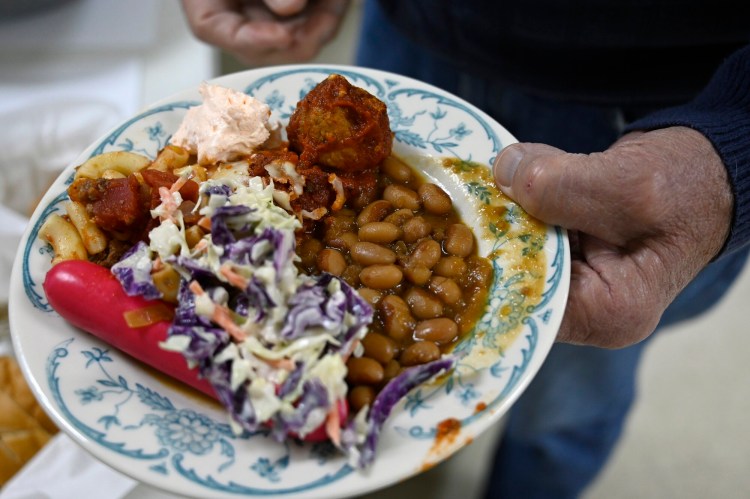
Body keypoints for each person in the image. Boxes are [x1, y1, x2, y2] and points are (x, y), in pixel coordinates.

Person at [179, 1, 750, 497]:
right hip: (412, 38)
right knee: (371, 442)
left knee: (569, 399)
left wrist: (733, 153)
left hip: (660, 112)